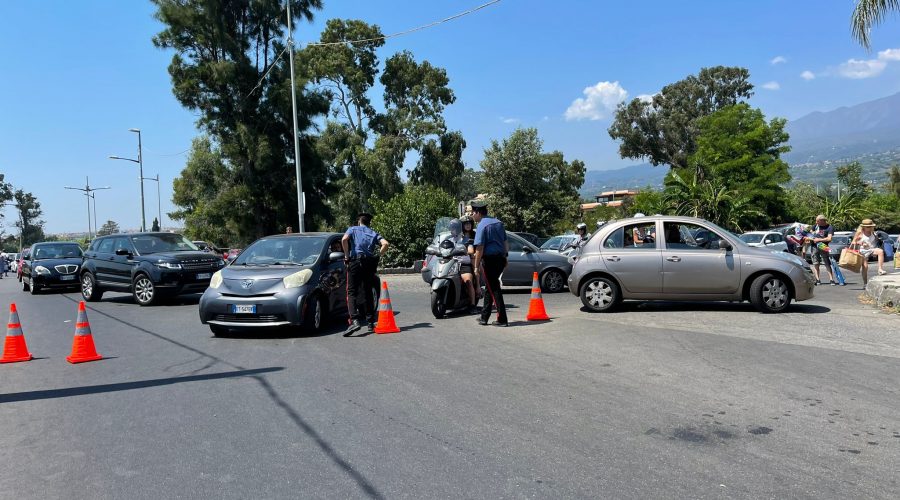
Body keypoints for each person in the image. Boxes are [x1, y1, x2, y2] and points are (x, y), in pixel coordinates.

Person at [342, 213, 389, 335]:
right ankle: (370, 323)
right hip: (369, 263)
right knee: (368, 291)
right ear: (369, 223)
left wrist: (347, 256)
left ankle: (355, 321)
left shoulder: (353, 229)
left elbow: (344, 239)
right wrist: (378, 255)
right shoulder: (373, 233)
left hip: (355, 262)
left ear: (359, 221)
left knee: (351, 292)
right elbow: (385, 244)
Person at [471, 200, 508, 327]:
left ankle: (502, 318)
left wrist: (476, 267)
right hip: (500, 259)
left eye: (472, 213)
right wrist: (505, 257)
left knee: (494, 288)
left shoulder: (482, 225)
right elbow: (505, 242)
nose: (472, 215)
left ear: (478, 213)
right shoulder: (498, 222)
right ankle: (484, 317)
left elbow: (479, 248)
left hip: (490, 260)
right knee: (490, 287)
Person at [447, 218, 478, 313]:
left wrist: (468, 250)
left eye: (456, 228)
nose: (454, 230)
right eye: (452, 228)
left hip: (464, 264)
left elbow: (471, 249)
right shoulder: (448, 240)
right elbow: (441, 247)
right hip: (451, 263)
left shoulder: (466, 239)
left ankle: (472, 305)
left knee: (468, 281)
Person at [853, 219, 887, 285]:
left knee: (880, 251)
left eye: (870, 226)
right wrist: (861, 243)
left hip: (871, 249)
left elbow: (876, 241)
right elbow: (854, 242)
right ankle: (865, 283)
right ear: (863, 227)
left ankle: (880, 269)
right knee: (865, 267)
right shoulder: (860, 233)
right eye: (867, 227)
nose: (869, 228)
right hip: (862, 251)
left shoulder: (873, 233)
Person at [460, 215, 481, 312]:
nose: (468, 226)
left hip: (469, 260)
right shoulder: (458, 236)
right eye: (465, 224)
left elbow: (476, 248)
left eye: (469, 224)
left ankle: (473, 304)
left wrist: (473, 252)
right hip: (455, 262)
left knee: (468, 279)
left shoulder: (474, 235)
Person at [810, 215, 835, 285]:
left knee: (827, 262)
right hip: (814, 246)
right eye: (816, 221)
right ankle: (817, 279)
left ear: (822, 221)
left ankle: (831, 279)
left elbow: (829, 238)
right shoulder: (815, 226)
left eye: (818, 221)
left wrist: (819, 239)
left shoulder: (829, 227)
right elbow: (810, 233)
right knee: (816, 263)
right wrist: (810, 238)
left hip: (824, 246)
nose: (816, 222)